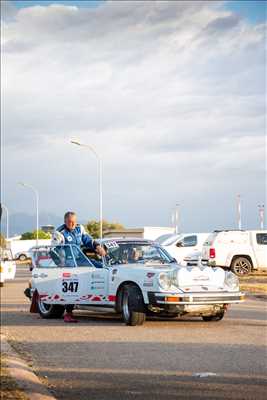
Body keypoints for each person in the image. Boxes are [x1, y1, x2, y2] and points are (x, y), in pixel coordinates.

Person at [53, 211, 106, 323]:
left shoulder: (79, 229)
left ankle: (102, 300)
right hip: (68, 262)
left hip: (80, 259)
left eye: (74, 222)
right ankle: (68, 313)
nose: (72, 224)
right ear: (65, 221)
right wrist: (61, 264)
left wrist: (97, 247)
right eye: (69, 222)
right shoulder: (59, 233)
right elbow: (54, 251)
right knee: (72, 282)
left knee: (101, 267)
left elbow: (88, 240)